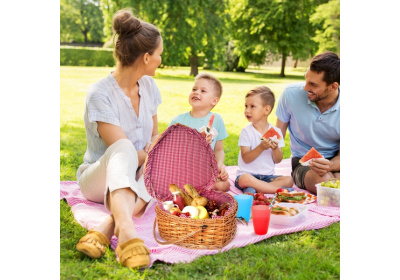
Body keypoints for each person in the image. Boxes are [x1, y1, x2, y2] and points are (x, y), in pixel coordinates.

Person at [74, 9, 163, 269]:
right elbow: (122, 155)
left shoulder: (149, 87)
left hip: (137, 173)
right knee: (125, 148)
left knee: (159, 171)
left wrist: (154, 147)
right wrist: (151, 154)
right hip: (98, 179)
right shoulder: (99, 93)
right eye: (159, 54)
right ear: (146, 57)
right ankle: (127, 230)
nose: (160, 59)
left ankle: (107, 227)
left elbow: (155, 134)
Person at [275, 51, 340, 194]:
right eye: (306, 80)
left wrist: (330, 165)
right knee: (324, 184)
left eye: (313, 84)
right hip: (302, 162)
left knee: (336, 182)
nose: (305, 88)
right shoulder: (290, 94)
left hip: (335, 161)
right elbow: (276, 137)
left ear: (333, 87)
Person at [169, 73, 230, 192]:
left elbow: (219, 149)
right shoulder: (178, 121)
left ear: (214, 101)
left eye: (203, 91)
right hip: (183, 169)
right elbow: (170, 150)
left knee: (225, 185)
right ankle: (196, 189)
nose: (196, 92)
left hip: (206, 171)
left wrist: (219, 166)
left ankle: (197, 189)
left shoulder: (216, 120)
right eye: (194, 89)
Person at [235, 86, 293, 194]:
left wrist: (275, 148)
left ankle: (257, 189)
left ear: (266, 110)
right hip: (248, 175)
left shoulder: (276, 131)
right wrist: (261, 147)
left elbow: (278, 160)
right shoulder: (246, 131)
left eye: (252, 106)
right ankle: (278, 190)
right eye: (246, 106)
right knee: (245, 179)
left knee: (289, 180)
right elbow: (246, 158)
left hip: (267, 177)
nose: (247, 110)